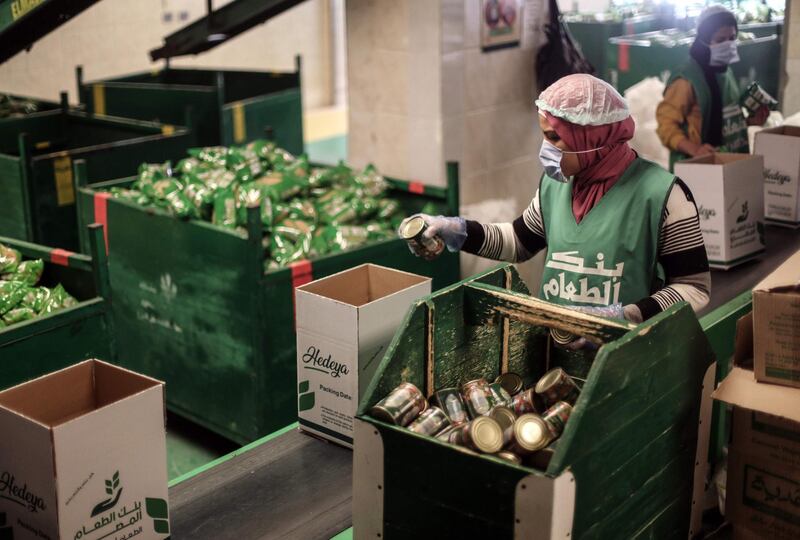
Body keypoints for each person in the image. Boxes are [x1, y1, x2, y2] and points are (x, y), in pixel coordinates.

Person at [402, 74, 710, 325]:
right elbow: (519, 242)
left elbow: (693, 288)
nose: (545, 148)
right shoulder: (556, 186)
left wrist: (628, 316)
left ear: (593, 137)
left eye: (554, 137)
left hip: (629, 360)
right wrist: (457, 230)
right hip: (557, 347)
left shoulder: (664, 195)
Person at [656, 5, 769, 170]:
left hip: (728, 163)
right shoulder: (687, 79)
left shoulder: (725, 71)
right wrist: (695, 149)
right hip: (698, 169)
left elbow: (722, 121)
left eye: (732, 38)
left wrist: (748, 122)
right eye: (720, 40)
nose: (729, 44)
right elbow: (665, 125)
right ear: (703, 41)